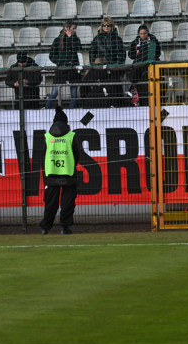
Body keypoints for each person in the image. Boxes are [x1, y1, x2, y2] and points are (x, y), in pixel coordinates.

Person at [39, 107, 84, 235]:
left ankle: (45, 228)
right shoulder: (71, 136)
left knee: (50, 203)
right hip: (68, 173)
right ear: (66, 122)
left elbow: (43, 155)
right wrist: (71, 164)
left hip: (51, 174)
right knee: (68, 203)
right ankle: (64, 227)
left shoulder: (47, 136)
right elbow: (77, 154)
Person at [90, 17, 127, 106]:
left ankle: (117, 105)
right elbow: (92, 53)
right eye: (104, 25)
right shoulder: (97, 38)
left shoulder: (117, 39)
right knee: (100, 88)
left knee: (114, 88)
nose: (106, 27)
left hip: (113, 68)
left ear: (112, 26)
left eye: (108, 25)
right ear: (102, 26)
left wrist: (117, 65)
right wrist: (94, 64)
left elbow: (122, 54)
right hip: (100, 68)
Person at [45, 21, 82, 109]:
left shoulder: (75, 39)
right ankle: (47, 109)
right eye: (73, 29)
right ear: (67, 29)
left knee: (74, 93)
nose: (75, 31)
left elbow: (78, 48)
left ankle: (72, 110)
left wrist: (70, 38)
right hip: (61, 69)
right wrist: (61, 62)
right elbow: (52, 56)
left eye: (75, 29)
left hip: (73, 69)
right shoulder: (57, 40)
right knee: (54, 92)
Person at [127, 23, 162, 105]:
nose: (143, 35)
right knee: (135, 71)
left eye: (145, 33)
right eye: (141, 34)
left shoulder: (153, 41)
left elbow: (158, 53)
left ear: (147, 33)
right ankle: (134, 88)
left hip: (150, 64)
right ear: (139, 34)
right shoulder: (135, 42)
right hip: (139, 65)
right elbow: (131, 55)